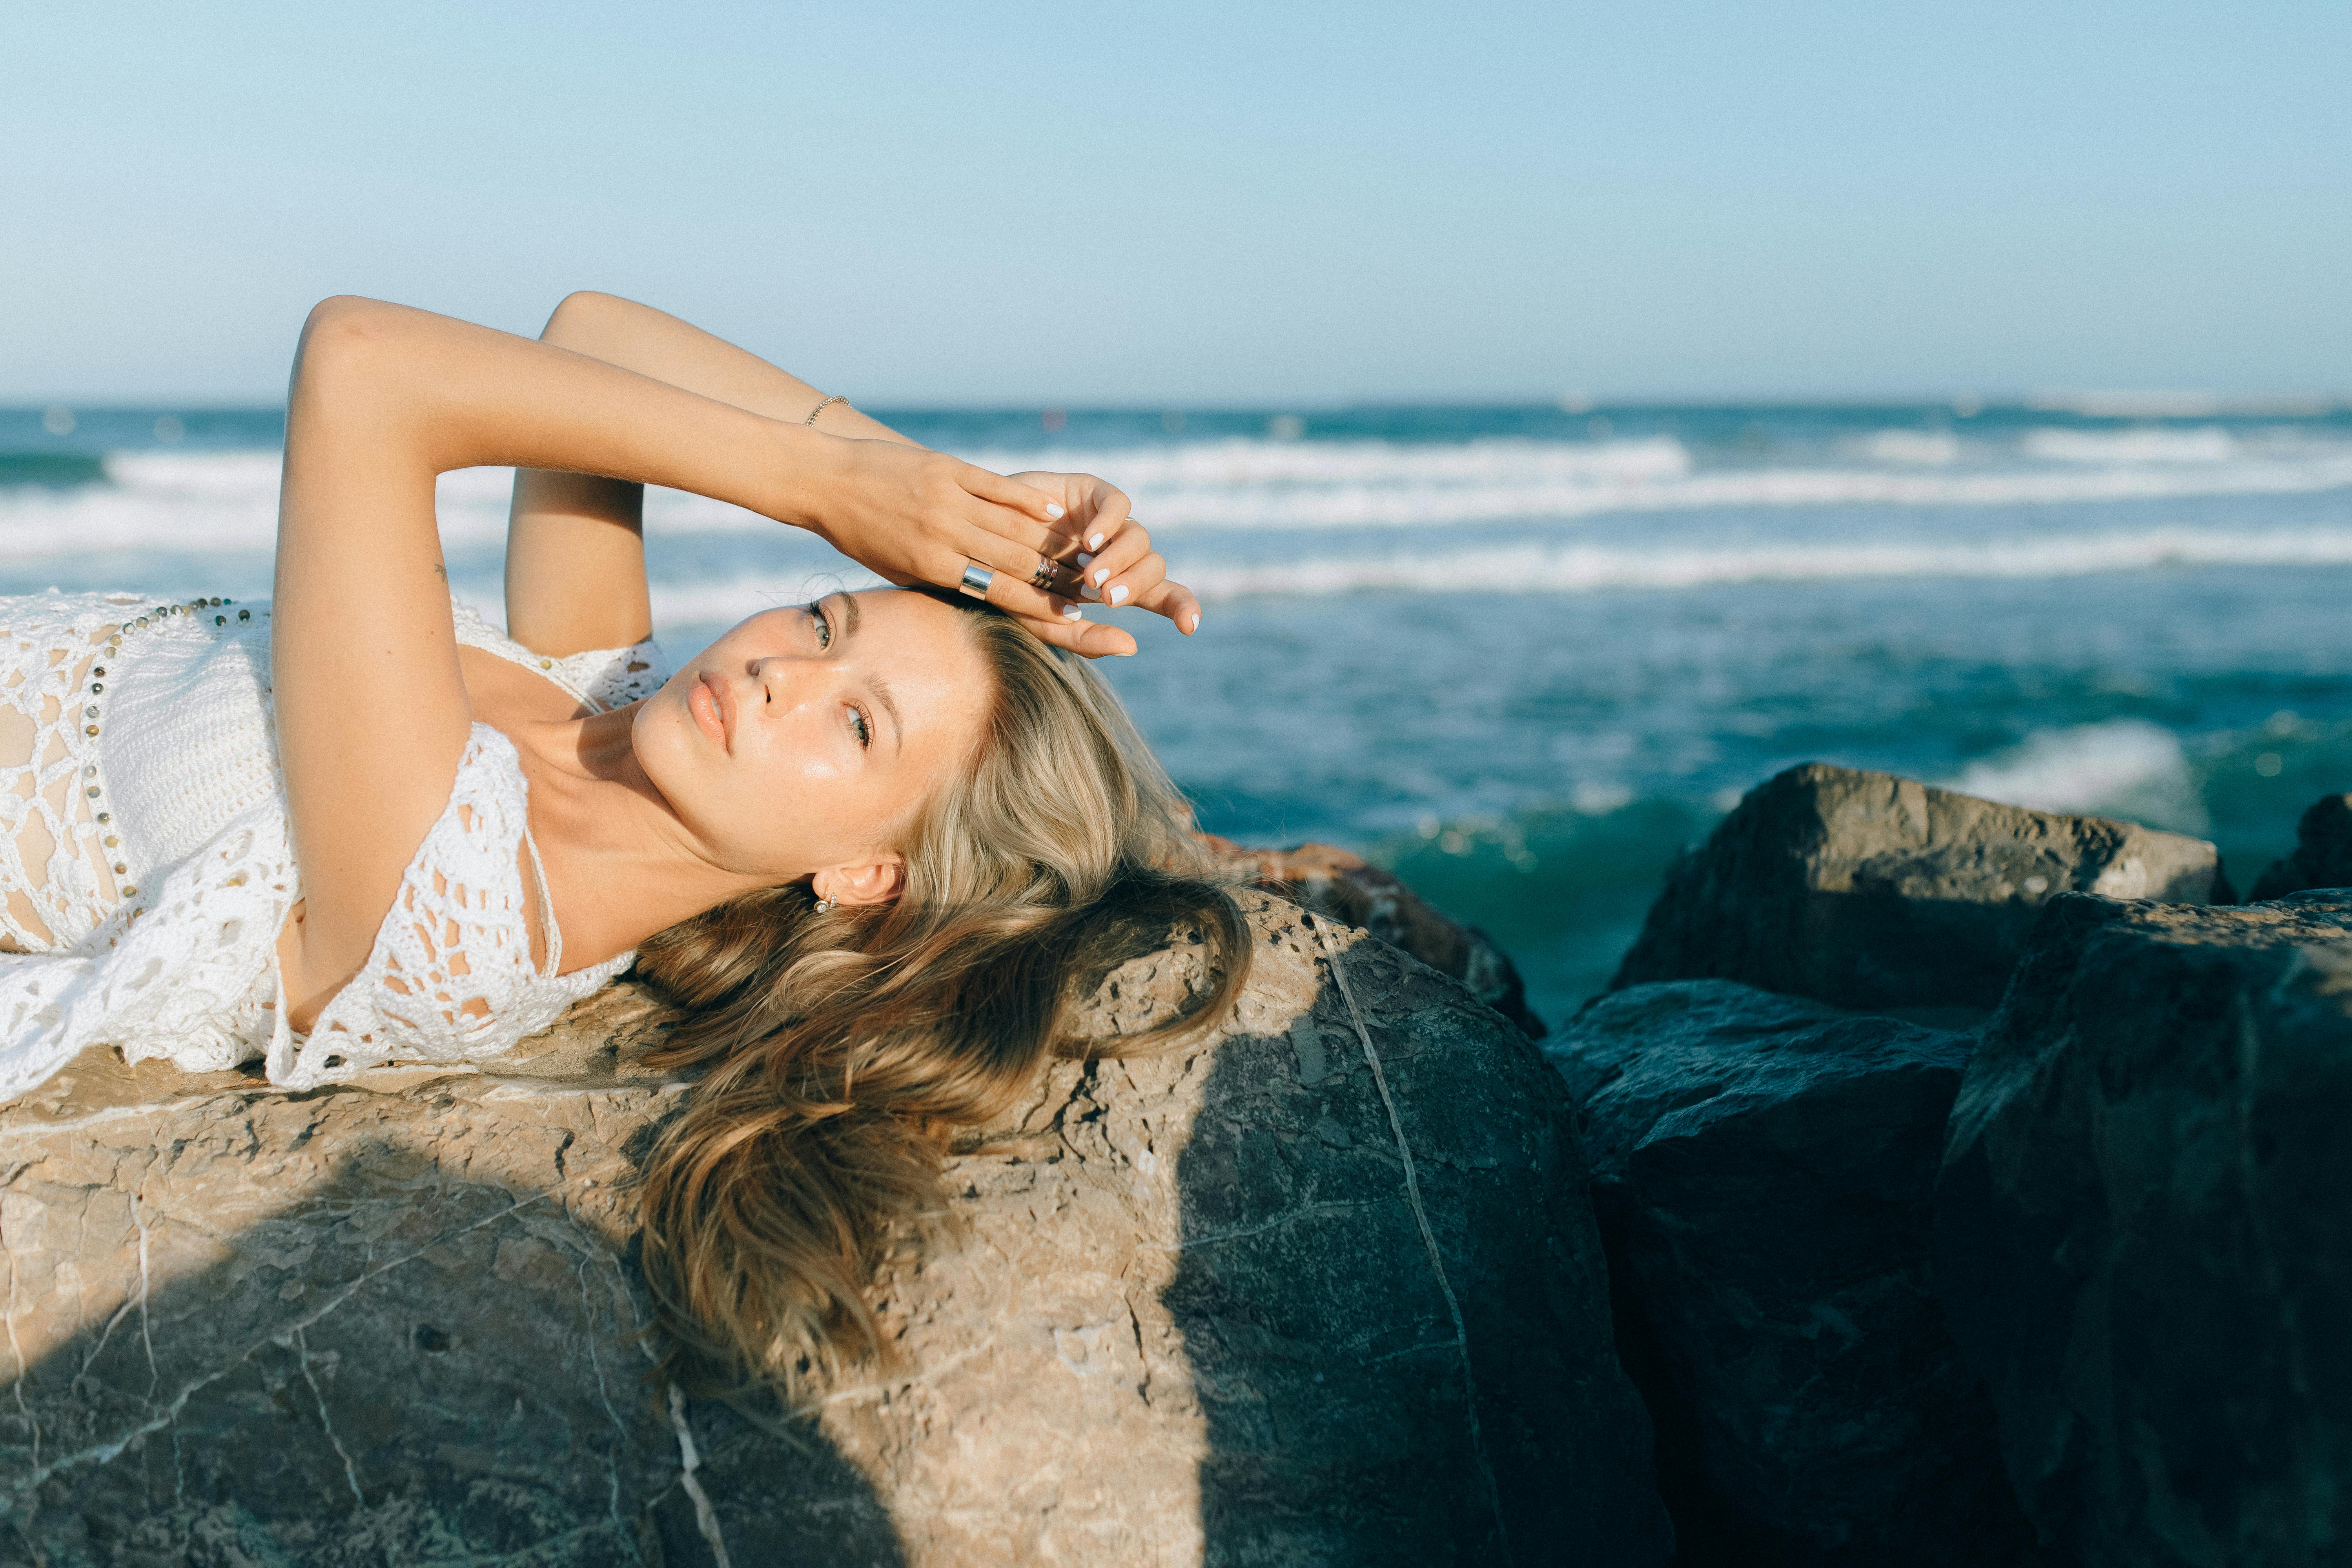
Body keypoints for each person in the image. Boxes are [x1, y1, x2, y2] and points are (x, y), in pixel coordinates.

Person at [0, 292, 1252, 1388]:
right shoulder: (597, 689)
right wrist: (965, 506)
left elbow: (362, 365)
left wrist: (829, 491)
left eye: (856, 724)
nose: (776, 670)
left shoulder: (464, 909)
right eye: (823, 621)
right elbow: (594, 333)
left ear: (870, 876)